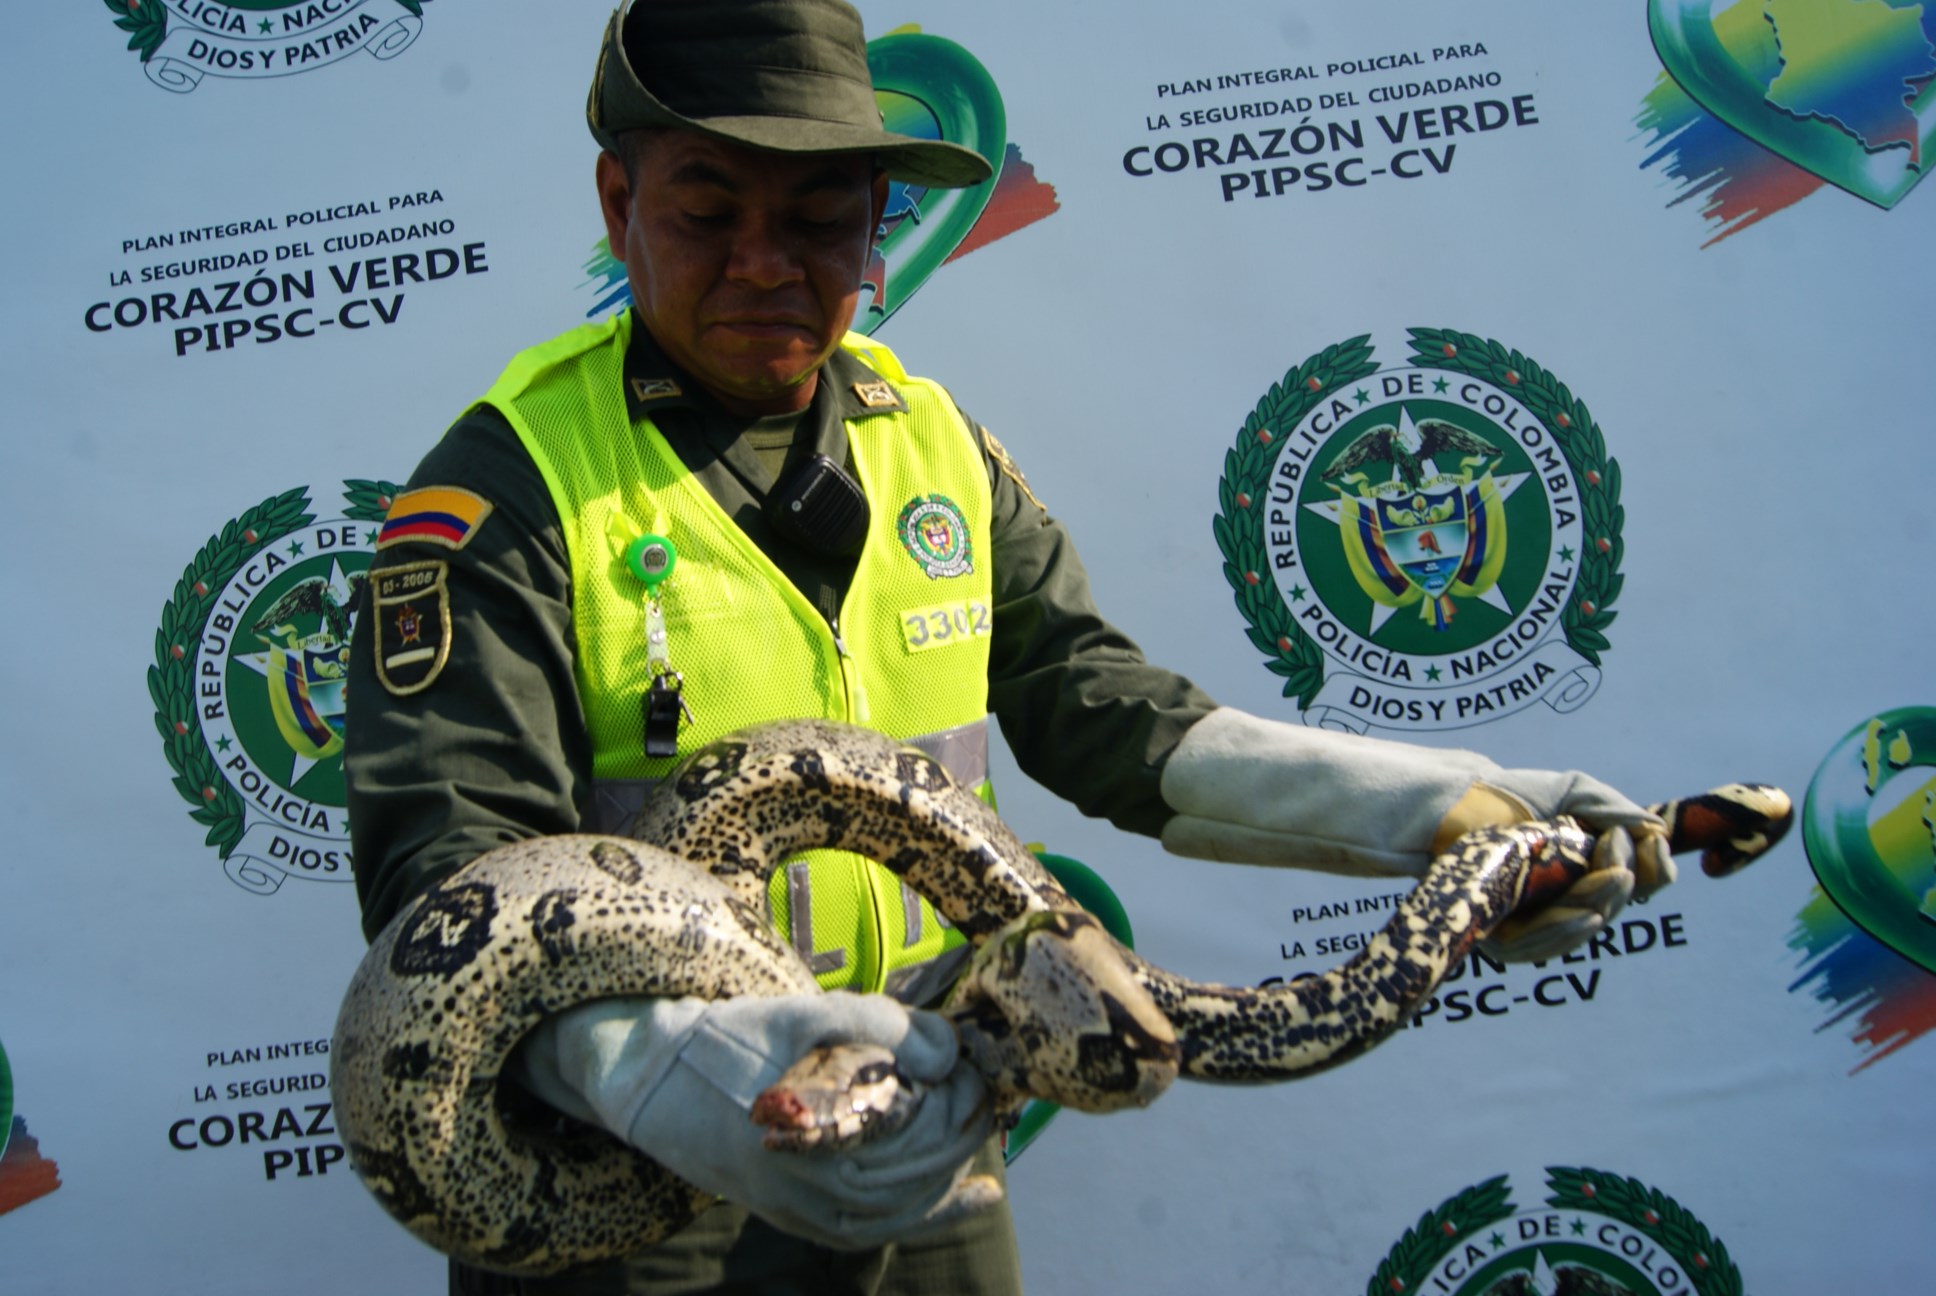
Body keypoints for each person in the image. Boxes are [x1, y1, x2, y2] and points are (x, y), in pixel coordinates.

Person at [343, 2, 1674, 1293]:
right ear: (618, 207)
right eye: (707, 212)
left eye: (820, 219)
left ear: (877, 226)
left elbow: (1103, 710)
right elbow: (454, 882)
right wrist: (697, 1087)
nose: (765, 261)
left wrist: (1444, 812)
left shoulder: (933, 444)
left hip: (929, 1138)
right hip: (640, 1183)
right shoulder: (506, 487)